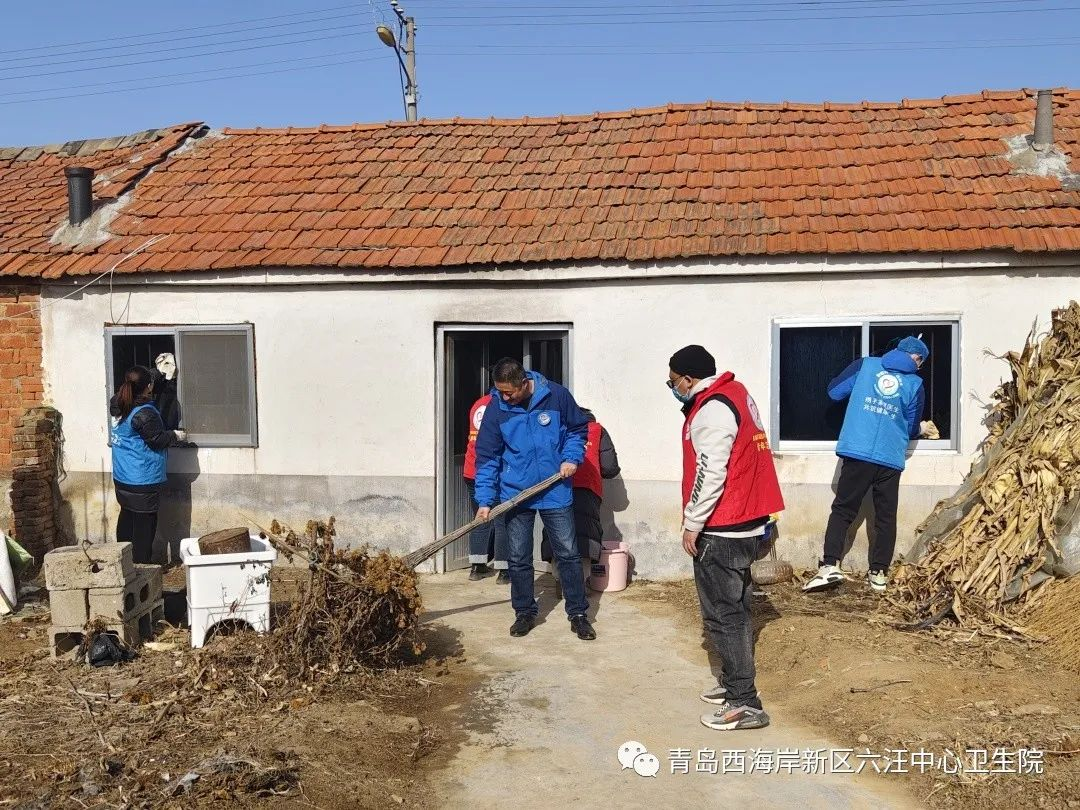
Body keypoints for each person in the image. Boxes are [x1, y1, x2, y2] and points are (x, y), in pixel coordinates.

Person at [668, 345, 785, 731]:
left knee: (724, 614)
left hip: (723, 527)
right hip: (748, 521)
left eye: (673, 382)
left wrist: (692, 521)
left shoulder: (713, 409)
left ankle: (744, 702)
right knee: (735, 607)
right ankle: (733, 682)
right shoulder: (736, 394)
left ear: (687, 378)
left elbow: (710, 470)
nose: (672, 389)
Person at [473, 358, 594, 640]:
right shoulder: (497, 408)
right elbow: (488, 457)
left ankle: (578, 613)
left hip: (555, 489)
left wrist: (571, 458)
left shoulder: (556, 395)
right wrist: (485, 500)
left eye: (509, 392)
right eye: (499, 392)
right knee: (518, 557)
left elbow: (578, 430)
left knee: (567, 554)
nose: (504, 397)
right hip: (517, 494)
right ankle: (524, 612)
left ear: (524, 383)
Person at [803, 336, 933, 594]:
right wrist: (922, 428)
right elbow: (909, 427)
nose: (920, 367)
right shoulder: (916, 383)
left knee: (842, 510)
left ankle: (830, 565)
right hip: (889, 457)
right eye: (921, 362)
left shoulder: (865, 365)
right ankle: (879, 574)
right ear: (917, 359)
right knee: (885, 517)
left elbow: (834, 391)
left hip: (857, 450)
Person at [109, 366, 187, 564]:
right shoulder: (145, 413)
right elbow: (157, 439)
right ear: (149, 387)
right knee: (145, 524)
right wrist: (175, 435)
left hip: (122, 477)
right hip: (142, 479)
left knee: (127, 516)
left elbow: (139, 379)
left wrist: (160, 371)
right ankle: (142, 569)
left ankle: (123, 564)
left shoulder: (118, 402)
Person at [542, 408, 621, 580]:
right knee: (585, 534)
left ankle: (558, 578)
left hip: (557, 486)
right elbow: (609, 468)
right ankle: (581, 582)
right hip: (588, 488)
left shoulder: (558, 428)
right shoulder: (597, 430)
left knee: (556, 532)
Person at [462, 392, 509, 582]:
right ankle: (504, 570)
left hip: (472, 470)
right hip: (492, 473)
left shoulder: (478, 404)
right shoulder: (500, 406)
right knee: (502, 521)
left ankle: (477, 566)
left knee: (481, 518)